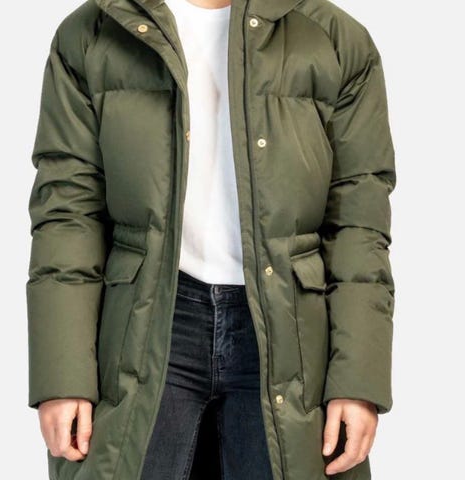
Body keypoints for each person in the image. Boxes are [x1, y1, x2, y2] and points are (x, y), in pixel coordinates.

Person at [26, 0, 396, 479]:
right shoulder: (92, 34)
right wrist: (63, 376)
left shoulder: (336, 41)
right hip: (144, 328)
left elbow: (358, 225)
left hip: (290, 334)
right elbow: (68, 214)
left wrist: (357, 380)